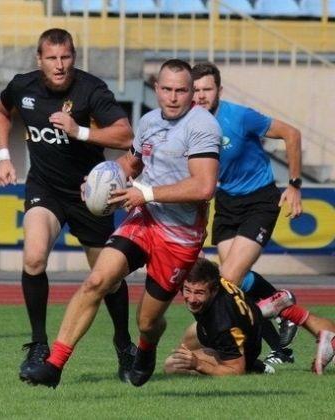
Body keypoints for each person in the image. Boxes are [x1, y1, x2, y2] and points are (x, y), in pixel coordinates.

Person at [21, 59, 221, 388]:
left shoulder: (202, 126)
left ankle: (146, 347)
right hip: (144, 220)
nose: (173, 97)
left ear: (191, 93)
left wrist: (147, 192)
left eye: (181, 91)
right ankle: (54, 366)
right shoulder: (148, 121)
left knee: (147, 321)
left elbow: (204, 187)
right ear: (156, 89)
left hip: (180, 237)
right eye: (167, 89)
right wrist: (101, 180)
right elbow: (133, 161)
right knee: (97, 280)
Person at [0, 28, 136, 382]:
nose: (59, 65)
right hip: (45, 189)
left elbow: (125, 134)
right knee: (34, 257)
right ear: (39, 60)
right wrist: (3, 156)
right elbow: (0, 111)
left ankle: (123, 344)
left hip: (91, 196)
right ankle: (39, 345)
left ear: (74, 57)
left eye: (65, 57)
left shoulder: (91, 90)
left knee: (108, 280)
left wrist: (80, 131)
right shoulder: (22, 87)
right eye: (52, 58)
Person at [192, 62, 304, 365]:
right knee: (235, 283)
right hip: (226, 203)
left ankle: (272, 336)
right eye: (196, 90)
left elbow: (292, 134)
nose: (201, 95)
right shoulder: (189, 123)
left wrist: (294, 185)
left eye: (207, 89)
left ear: (219, 91)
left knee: (227, 280)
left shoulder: (239, 116)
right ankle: (285, 327)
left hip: (260, 200)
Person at [164, 258, 335, 376]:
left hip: (239, 340)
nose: (191, 299)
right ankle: (271, 308)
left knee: (172, 365)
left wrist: (198, 364)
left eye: (199, 293)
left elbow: (234, 370)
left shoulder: (222, 322)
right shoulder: (214, 278)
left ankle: (253, 366)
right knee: (187, 341)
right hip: (244, 322)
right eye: (188, 291)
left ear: (214, 290)